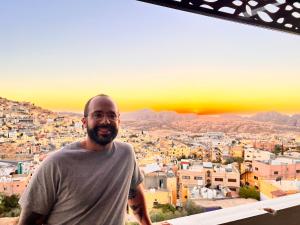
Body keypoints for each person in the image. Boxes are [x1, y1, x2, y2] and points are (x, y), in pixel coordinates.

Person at [18, 94, 152, 225]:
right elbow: (29, 220)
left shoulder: (126, 154)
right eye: (98, 115)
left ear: (119, 121)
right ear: (84, 122)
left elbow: (136, 199)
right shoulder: (57, 163)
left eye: (112, 116)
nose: (106, 121)